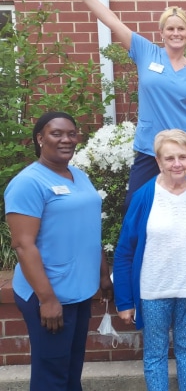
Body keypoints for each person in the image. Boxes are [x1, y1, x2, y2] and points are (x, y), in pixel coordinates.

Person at [76, 0, 186, 208]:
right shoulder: (145, 52)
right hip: (151, 148)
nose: (176, 33)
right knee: (137, 205)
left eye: (181, 28)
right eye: (171, 28)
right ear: (162, 33)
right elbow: (111, 20)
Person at [5, 111, 112, 390]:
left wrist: (102, 275)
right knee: (51, 373)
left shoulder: (79, 176)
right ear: (40, 139)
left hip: (78, 289)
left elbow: (89, 229)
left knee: (71, 368)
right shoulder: (28, 182)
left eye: (72, 133)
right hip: (49, 294)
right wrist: (48, 299)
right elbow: (23, 244)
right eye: (57, 133)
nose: (67, 139)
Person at [113, 129, 186, 391]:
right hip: (153, 292)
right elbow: (124, 252)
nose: (177, 164)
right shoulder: (144, 196)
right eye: (169, 158)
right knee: (155, 353)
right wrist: (125, 300)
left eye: (183, 157)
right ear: (158, 161)